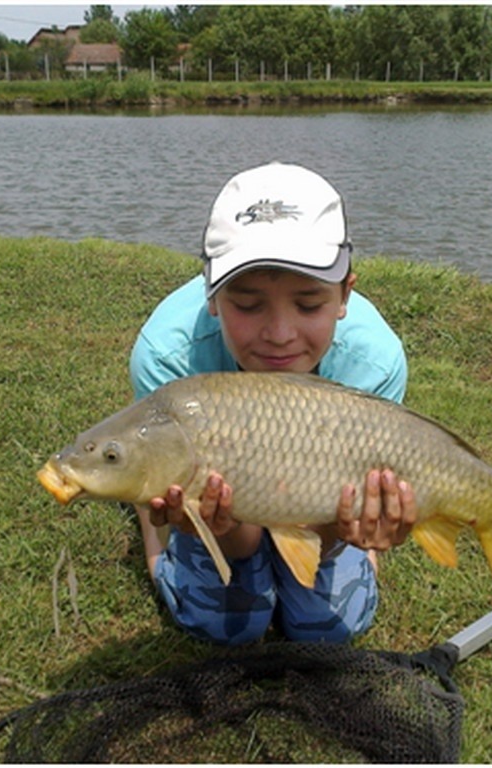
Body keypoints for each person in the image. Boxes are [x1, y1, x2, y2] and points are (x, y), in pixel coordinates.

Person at [129, 161, 417, 645]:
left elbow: (330, 523)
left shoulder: (374, 362)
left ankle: (340, 568)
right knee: (226, 625)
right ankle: (165, 559)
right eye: (247, 305)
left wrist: (348, 536)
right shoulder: (167, 356)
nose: (280, 335)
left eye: (309, 305)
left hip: (318, 508)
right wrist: (212, 532)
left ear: (345, 294)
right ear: (212, 295)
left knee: (321, 630)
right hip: (219, 505)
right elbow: (159, 475)